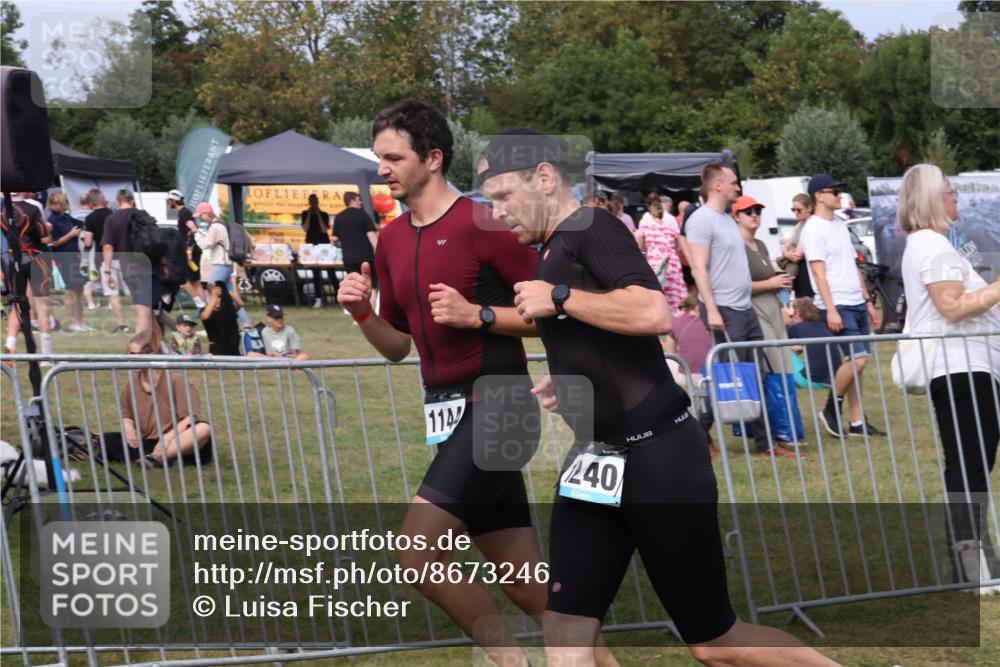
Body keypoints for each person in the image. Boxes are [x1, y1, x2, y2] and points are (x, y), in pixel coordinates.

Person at [478, 128, 837, 667]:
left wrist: (557, 297)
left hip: (657, 456)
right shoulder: (554, 245)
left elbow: (652, 313)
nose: (496, 210)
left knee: (714, 643)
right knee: (567, 626)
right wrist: (573, 374)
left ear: (545, 177)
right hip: (597, 460)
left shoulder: (590, 225)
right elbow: (599, 328)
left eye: (503, 195)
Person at [338, 101, 616, 667]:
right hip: (446, 416)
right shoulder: (389, 241)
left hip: (500, 406)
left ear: (433, 158)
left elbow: (549, 313)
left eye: (393, 157)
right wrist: (363, 315)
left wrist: (478, 316)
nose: (382, 169)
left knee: (415, 552)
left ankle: (509, 663)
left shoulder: (483, 223)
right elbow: (398, 346)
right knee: (525, 585)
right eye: (378, 159)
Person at [898, 163, 1000, 585]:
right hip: (959, 368)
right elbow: (953, 307)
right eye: (950, 192)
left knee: (974, 462)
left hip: (972, 367)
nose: (955, 198)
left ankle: (975, 554)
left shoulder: (937, 245)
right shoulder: (930, 246)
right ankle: (970, 560)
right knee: (969, 464)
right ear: (932, 199)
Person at [686, 163, 797, 458]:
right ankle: (697, 433)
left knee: (754, 375)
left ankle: (765, 443)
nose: (738, 187)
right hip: (723, 310)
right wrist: (712, 310)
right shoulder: (701, 220)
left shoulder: (725, 220)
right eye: (734, 183)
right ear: (718, 185)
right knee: (727, 375)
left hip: (744, 309)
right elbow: (698, 268)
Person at [799, 173, 885, 438]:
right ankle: (830, 409)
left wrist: (867, 301)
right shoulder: (812, 228)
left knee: (858, 364)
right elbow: (818, 273)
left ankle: (857, 421)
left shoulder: (839, 224)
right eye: (833, 191)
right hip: (838, 304)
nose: (839, 195)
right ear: (819, 196)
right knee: (857, 361)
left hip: (856, 301)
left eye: (839, 191)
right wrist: (832, 308)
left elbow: (852, 265)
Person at [118, 334, 213, 468]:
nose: (132, 359)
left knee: (203, 428)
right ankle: (155, 458)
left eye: (136, 354)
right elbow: (127, 416)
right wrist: (127, 426)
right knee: (109, 439)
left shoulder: (175, 378)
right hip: (149, 440)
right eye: (130, 354)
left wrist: (166, 439)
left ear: (151, 355)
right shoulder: (130, 383)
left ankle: (155, 458)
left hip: (180, 438)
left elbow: (188, 418)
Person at [101, 189, 161, 339]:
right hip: (148, 265)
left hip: (127, 267)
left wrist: (107, 271)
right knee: (145, 307)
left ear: (118, 201)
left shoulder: (111, 219)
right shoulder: (143, 215)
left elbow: (108, 246)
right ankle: (151, 346)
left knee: (141, 307)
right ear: (132, 200)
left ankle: (142, 344)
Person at [2, 194, 53, 356]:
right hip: (35, 256)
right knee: (42, 305)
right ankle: (46, 355)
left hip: (13, 257)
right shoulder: (33, 207)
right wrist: (49, 227)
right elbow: (44, 233)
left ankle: (10, 346)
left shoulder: (2, 208)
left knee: (16, 303)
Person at [189, 202, 250, 327]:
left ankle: (213, 325)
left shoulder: (215, 227)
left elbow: (205, 244)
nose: (200, 218)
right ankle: (246, 322)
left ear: (207, 214)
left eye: (201, 215)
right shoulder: (220, 224)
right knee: (232, 295)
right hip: (226, 264)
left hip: (220, 265)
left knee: (211, 294)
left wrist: (195, 231)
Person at [45, 192, 92, 332]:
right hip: (63, 257)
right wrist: (70, 235)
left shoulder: (66, 217)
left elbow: (82, 224)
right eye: (65, 202)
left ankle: (80, 321)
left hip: (74, 255)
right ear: (58, 204)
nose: (68, 204)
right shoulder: (52, 221)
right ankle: (73, 322)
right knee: (71, 290)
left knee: (80, 288)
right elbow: (53, 243)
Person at [85, 190, 129, 333]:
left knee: (113, 293)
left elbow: (88, 242)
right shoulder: (114, 214)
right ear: (102, 199)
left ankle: (123, 325)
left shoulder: (90, 218)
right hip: (123, 255)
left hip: (104, 258)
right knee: (134, 292)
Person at [636, 192, 686, 314]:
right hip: (671, 261)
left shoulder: (644, 221)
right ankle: (679, 319)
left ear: (648, 206)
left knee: (658, 293)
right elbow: (679, 244)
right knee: (675, 294)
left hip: (655, 261)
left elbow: (640, 247)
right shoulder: (670, 220)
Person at [332, 191, 378, 307]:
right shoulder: (363, 215)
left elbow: (334, 239)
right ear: (352, 200)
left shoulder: (339, 217)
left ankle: (357, 312)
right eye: (359, 200)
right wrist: (381, 252)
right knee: (370, 286)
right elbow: (372, 236)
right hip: (365, 258)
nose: (361, 202)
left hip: (348, 258)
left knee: (354, 287)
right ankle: (370, 312)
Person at [167, 189, 206, 309]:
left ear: (174, 200)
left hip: (191, 252)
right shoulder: (184, 212)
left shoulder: (184, 213)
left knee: (183, 279)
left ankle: (199, 302)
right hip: (193, 251)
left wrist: (189, 251)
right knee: (195, 281)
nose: (168, 203)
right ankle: (203, 306)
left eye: (169, 200)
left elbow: (192, 232)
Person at [301, 193, 336, 308]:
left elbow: (324, 228)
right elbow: (305, 228)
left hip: (323, 244)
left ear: (318, 202)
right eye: (311, 201)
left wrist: (319, 215)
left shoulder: (324, 214)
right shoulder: (305, 214)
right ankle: (318, 298)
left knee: (331, 271)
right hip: (311, 245)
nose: (313, 204)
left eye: (315, 201)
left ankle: (337, 295)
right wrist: (310, 214)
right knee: (315, 273)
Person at [779, 193, 815, 299]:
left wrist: (787, 253)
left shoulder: (811, 225)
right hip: (799, 272)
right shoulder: (799, 225)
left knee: (809, 304)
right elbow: (785, 247)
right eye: (793, 210)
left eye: (799, 210)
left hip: (808, 271)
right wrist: (787, 253)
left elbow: (797, 255)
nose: (796, 213)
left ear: (809, 208)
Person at [199, 280, 242, 356]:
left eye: (220, 298)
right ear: (209, 297)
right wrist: (214, 297)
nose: (219, 300)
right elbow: (205, 316)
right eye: (217, 298)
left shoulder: (228, 310)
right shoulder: (205, 310)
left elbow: (240, 304)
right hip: (217, 348)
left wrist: (228, 293)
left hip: (232, 348)